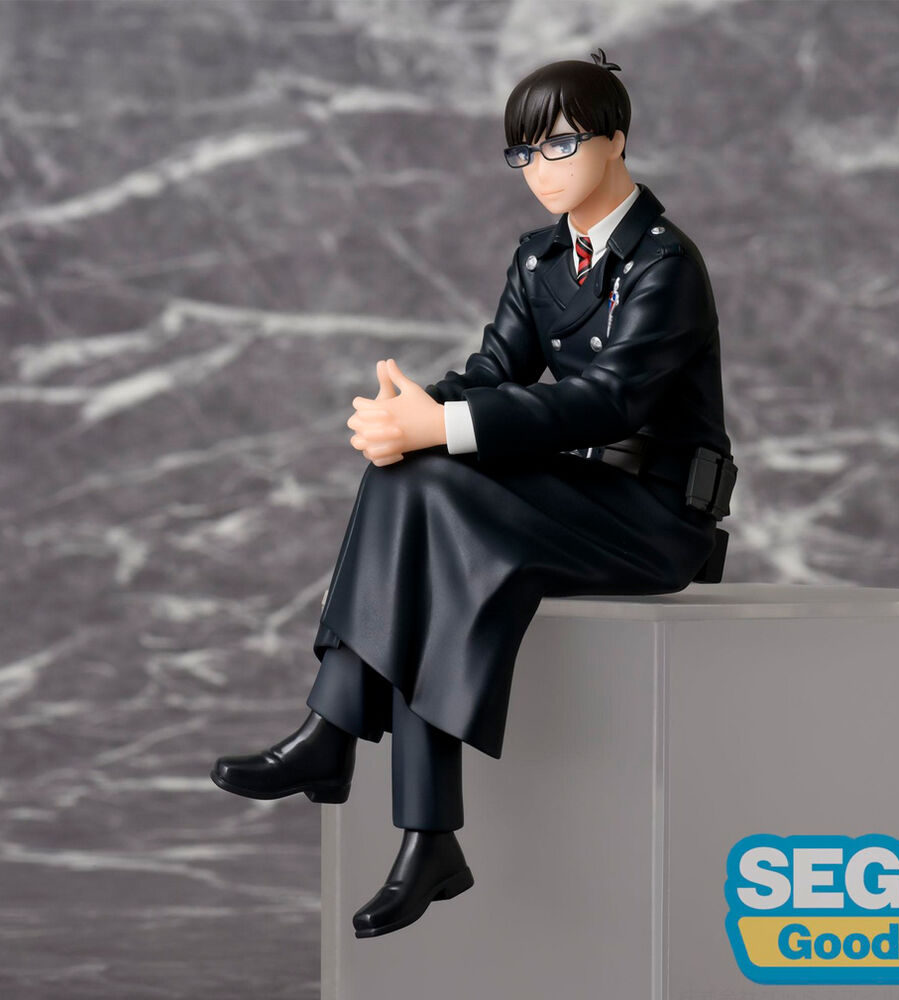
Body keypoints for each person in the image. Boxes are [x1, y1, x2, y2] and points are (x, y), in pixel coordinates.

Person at [210, 49, 737, 939]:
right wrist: (413, 413)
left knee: (434, 486)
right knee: (413, 479)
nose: (540, 169)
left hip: (652, 516)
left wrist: (441, 427)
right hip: (571, 494)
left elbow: (609, 401)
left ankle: (342, 738)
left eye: (560, 145)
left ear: (617, 140)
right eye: (522, 153)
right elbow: (495, 370)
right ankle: (423, 834)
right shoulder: (539, 258)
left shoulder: (664, 263)